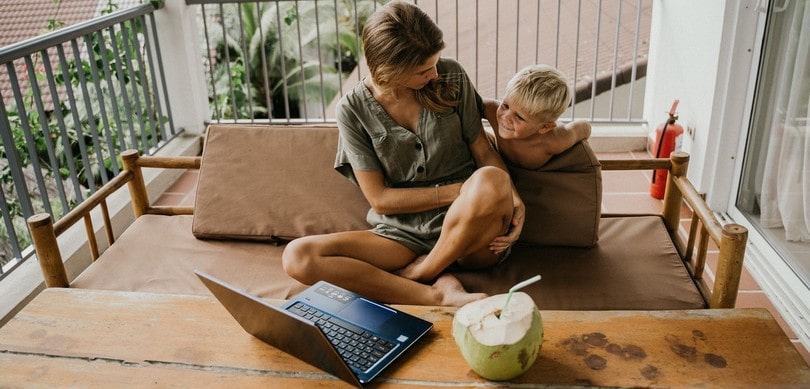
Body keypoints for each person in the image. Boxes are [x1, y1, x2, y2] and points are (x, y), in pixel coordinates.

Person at [282, 1, 524, 307]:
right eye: (423, 70)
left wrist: (513, 197)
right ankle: (434, 294)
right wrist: (460, 192)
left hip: (472, 232)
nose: (435, 74)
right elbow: (381, 200)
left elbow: (483, 152)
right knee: (298, 257)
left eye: (434, 63)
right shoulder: (352, 110)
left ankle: (423, 271)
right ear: (388, 72)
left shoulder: (451, 77)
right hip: (403, 235)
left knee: (491, 178)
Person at [483, 64, 592, 170]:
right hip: (504, 165)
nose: (506, 116)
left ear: (545, 127)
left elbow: (584, 127)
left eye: (519, 117)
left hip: (541, 173)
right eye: (506, 105)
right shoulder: (492, 110)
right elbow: (468, 101)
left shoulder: (555, 141)